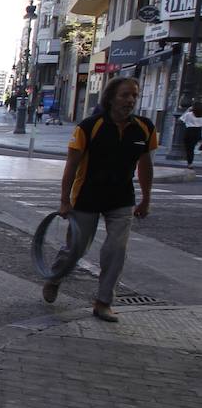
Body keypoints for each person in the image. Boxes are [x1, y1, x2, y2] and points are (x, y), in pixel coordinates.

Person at [42, 76, 156, 323]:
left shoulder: (144, 128)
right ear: (111, 98)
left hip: (122, 198)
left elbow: (146, 166)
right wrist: (64, 200)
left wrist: (146, 198)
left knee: (116, 250)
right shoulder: (89, 126)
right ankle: (55, 277)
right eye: (125, 95)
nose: (130, 100)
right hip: (88, 196)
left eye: (134, 95)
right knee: (75, 249)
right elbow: (71, 166)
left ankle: (103, 302)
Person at [178, 101, 202, 167]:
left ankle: (190, 163)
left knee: (189, 148)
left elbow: (180, 119)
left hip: (189, 131)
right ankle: (190, 162)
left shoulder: (189, 114)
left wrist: (188, 110)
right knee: (192, 147)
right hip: (198, 131)